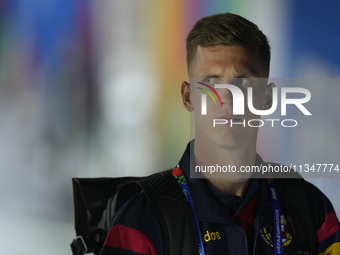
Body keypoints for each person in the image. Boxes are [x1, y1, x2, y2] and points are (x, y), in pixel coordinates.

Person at [98, 12, 340, 255]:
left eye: (243, 82)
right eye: (211, 82)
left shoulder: (309, 209)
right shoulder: (144, 219)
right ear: (188, 96)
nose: (226, 98)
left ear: (267, 98)